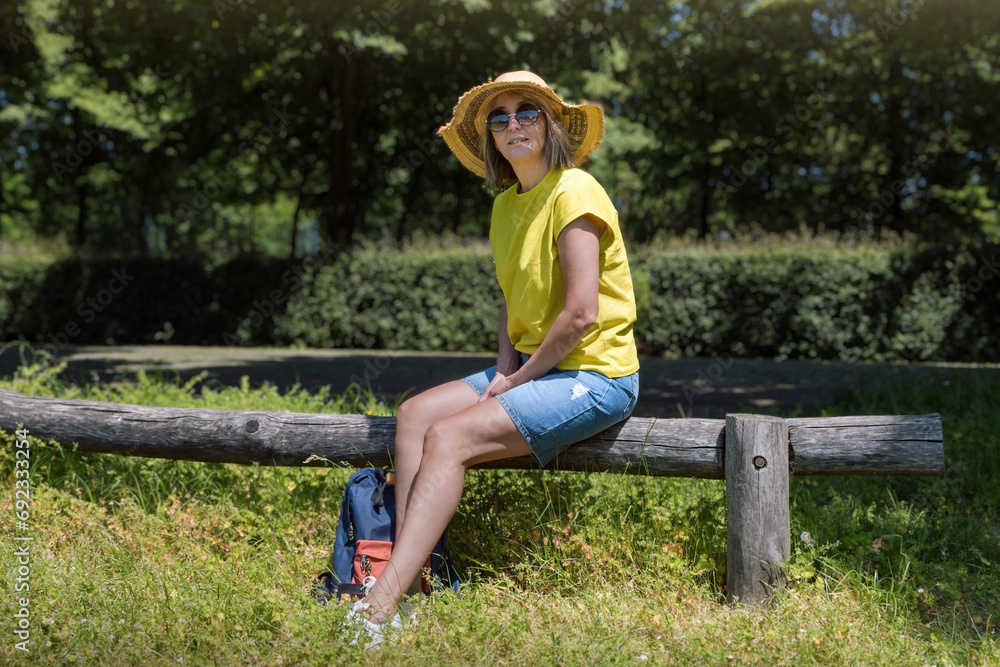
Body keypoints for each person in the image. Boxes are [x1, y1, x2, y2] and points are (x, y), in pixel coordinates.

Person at [348, 70, 641, 643]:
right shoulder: (506, 205)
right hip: (533, 365)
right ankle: (417, 585)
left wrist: (518, 380)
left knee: (449, 438)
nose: (513, 124)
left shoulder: (576, 189)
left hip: (596, 375)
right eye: (499, 116)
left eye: (526, 111)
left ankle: (379, 608)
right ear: (491, 138)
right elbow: (511, 301)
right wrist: (505, 369)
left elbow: (581, 314)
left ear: (552, 123)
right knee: (414, 416)